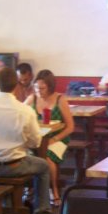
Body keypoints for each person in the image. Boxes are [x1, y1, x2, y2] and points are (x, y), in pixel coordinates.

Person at [0, 67, 53, 214]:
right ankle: (42, 209)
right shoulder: (24, 110)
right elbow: (35, 142)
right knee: (44, 166)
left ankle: (6, 204)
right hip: (14, 165)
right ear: (16, 85)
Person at [24, 69, 75, 205]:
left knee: (46, 157)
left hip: (57, 137)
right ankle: (29, 188)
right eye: (36, 87)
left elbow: (70, 127)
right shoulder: (32, 99)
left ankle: (54, 191)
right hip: (36, 139)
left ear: (50, 87)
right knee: (24, 156)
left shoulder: (60, 100)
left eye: (42, 88)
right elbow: (19, 114)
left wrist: (54, 139)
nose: (38, 91)